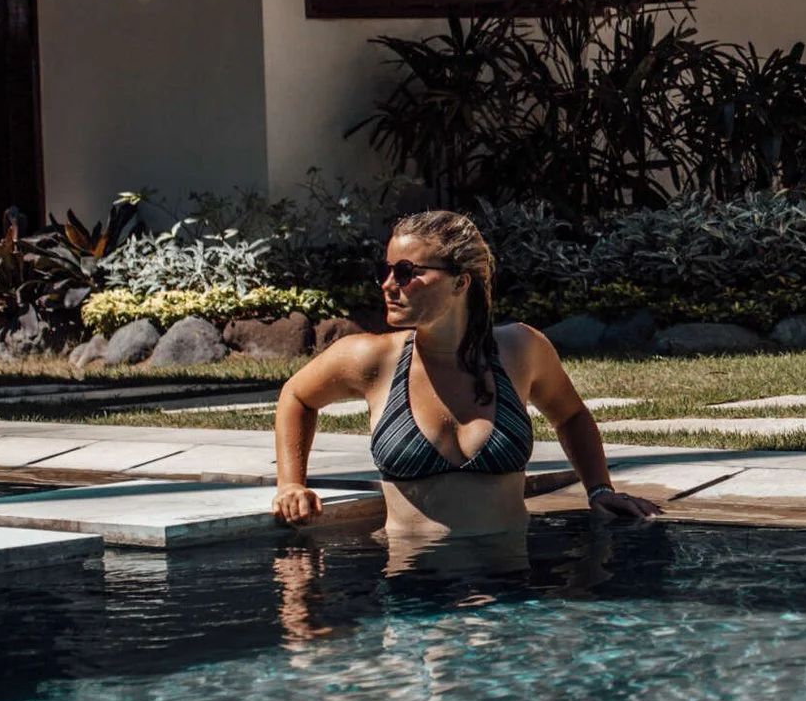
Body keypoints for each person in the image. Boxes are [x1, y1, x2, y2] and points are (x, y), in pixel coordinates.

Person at [272, 210, 660, 539]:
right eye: (385, 270)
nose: (389, 285)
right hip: (412, 593)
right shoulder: (372, 359)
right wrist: (291, 483)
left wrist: (598, 489)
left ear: (460, 282)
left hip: (508, 586)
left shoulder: (519, 349)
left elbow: (570, 415)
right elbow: (296, 397)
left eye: (407, 272)